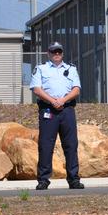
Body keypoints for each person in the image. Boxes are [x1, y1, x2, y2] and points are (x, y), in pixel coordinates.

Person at [30, 41, 84, 190]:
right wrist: (53, 101)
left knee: (71, 145)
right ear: (49, 53)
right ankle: (43, 180)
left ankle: (74, 179)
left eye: (59, 52)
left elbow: (76, 89)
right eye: (54, 52)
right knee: (46, 146)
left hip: (67, 110)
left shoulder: (71, 69)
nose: (57, 54)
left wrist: (62, 100)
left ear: (62, 53)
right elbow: (36, 89)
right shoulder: (41, 68)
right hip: (48, 110)